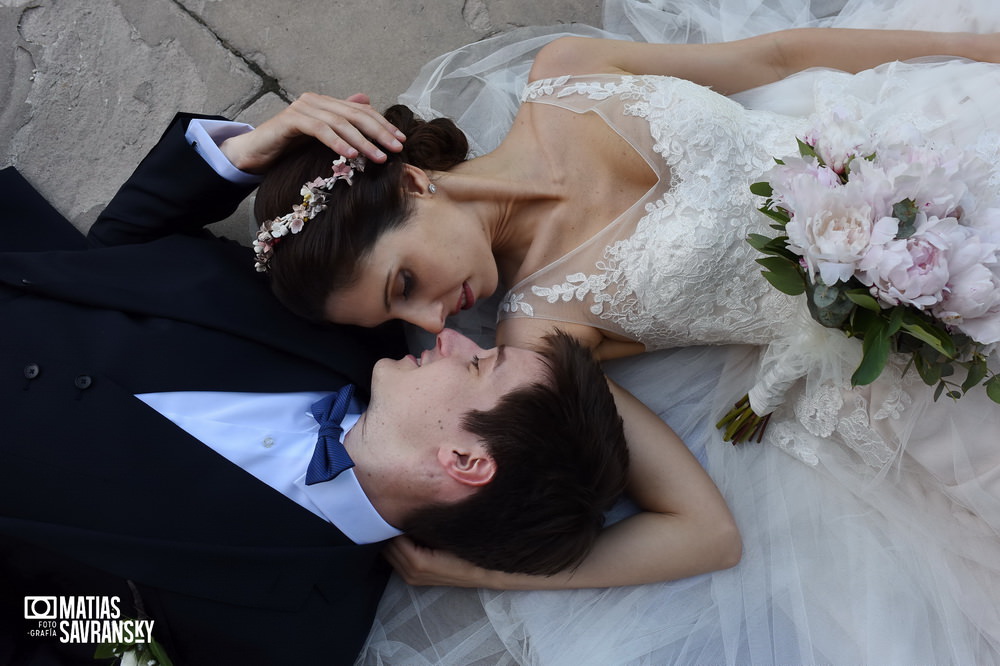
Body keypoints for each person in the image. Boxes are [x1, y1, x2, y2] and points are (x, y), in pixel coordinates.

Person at [245, 0, 1000, 663]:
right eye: (398, 320)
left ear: (412, 183)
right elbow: (706, 533)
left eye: (404, 285)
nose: (434, 322)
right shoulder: (538, 339)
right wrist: (480, 572)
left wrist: (977, 52)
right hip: (915, 330)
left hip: (918, 145)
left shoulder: (567, 71)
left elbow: (780, 55)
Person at [0, 102, 638, 665]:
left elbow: (40, 621)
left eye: (478, 365)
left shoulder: (291, 633)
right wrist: (243, 155)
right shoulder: (338, 331)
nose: (449, 335)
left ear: (467, 460)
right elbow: (123, 260)